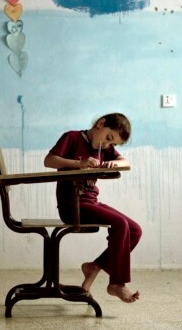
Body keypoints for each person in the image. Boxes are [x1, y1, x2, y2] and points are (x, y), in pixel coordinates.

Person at [44, 113, 142, 303]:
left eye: (112, 144)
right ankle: (117, 284)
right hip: (73, 206)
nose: (106, 145)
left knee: (135, 230)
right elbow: (49, 160)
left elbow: (125, 162)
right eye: (108, 138)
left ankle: (95, 267)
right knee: (120, 223)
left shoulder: (104, 148)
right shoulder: (72, 138)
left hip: (92, 203)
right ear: (100, 123)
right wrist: (78, 164)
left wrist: (115, 163)